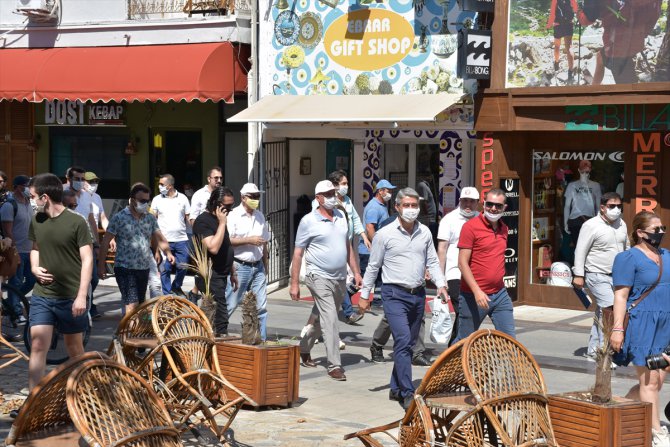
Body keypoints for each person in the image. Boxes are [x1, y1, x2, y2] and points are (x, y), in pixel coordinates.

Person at [358, 187, 447, 410]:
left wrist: (441, 284)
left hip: (417, 294)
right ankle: (407, 393)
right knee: (404, 341)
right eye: (406, 205)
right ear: (397, 207)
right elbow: (373, 266)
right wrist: (365, 295)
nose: (410, 209)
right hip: (394, 294)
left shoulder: (425, 232)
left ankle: (395, 386)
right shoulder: (384, 234)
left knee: (407, 343)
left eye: (414, 205)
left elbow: (432, 261)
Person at [290, 180, 362, 381]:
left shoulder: (341, 216)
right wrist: (294, 283)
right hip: (318, 276)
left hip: (340, 278)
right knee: (330, 318)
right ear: (318, 198)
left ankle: (303, 348)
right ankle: (334, 365)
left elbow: (348, 247)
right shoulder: (308, 221)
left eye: (334, 193)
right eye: (328, 194)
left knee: (321, 317)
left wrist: (356, 272)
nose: (333, 197)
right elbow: (298, 253)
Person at [27, 173, 93, 390]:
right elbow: (35, 248)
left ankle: (82, 393)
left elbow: (87, 259)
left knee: (74, 349)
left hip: (70, 297)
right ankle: (34, 399)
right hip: (42, 295)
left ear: (44, 197)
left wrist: (81, 296)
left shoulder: (77, 221)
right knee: (38, 346)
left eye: (33, 196)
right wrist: (34, 267)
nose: (31, 201)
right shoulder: (36, 220)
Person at [610, 211, 670, 447]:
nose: (661, 232)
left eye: (663, 228)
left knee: (657, 383)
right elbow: (621, 296)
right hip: (642, 325)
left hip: (665, 326)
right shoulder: (627, 258)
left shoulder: (666, 255)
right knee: (650, 382)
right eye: (656, 229)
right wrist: (617, 329)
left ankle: (624, 406)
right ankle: (657, 433)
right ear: (640, 233)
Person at [98, 183, 174, 315]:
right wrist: (101, 265)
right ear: (133, 200)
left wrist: (168, 252)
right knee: (132, 305)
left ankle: (127, 328)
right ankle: (130, 328)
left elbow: (159, 237)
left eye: (147, 201)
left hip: (143, 268)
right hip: (125, 268)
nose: (145, 204)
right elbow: (105, 242)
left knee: (139, 306)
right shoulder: (119, 218)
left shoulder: (150, 218)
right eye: (142, 201)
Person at [453, 188, 516, 342]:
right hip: (473, 295)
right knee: (464, 342)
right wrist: (477, 291)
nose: (493, 208)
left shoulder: (504, 228)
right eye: (489, 204)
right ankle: (450, 358)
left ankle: (508, 359)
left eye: (498, 206)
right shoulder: (470, 227)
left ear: (504, 208)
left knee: (510, 341)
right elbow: (462, 263)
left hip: (499, 294)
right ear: (483, 204)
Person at [573, 192, 629, 361]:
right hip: (597, 274)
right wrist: (578, 274)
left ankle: (594, 350)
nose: (616, 209)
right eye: (612, 206)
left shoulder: (622, 224)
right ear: (603, 207)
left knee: (602, 312)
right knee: (610, 310)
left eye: (619, 206)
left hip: (618, 276)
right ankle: (605, 354)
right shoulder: (590, 225)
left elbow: (626, 247)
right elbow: (580, 250)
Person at [226, 183, 270, 340]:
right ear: (243, 198)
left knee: (261, 306)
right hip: (240, 265)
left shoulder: (260, 216)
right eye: (253, 196)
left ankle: (261, 339)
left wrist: (265, 265)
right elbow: (228, 240)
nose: (256, 199)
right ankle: (217, 333)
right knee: (231, 303)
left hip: (257, 266)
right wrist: (249, 240)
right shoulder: (233, 216)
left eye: (258, 196)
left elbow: (264, 242)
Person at [436, 186, 480, 346]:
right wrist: (440, 279)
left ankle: (456, 348)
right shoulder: (449, 219)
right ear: (459, 201)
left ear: (477, 203)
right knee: (463, 310)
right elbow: (442, 249)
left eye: (471, 201)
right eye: (465, 201)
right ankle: (457, 348)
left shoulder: (482, 219)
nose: (468, 204)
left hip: (476, 274)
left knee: (469, 313)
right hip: (454, 273)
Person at [192, 186, 238, 337]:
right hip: (210, 275)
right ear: (215, 204)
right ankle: (217, 342)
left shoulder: (219, 220)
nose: (230, 210)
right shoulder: (202, 221)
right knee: (219, 317)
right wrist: (222, 223)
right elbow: (213, 248)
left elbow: (226, 245)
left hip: (222, 274)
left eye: (232, 205)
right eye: (227, 206)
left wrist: (233, 271)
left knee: (219, 314)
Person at [1, 175, 35, 323]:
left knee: (32, 280)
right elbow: (7, 231)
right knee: (15, 281)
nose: (28, 188)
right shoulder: (9, 205)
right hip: (17, 250)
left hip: (30, 249)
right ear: (17, 187)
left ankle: (10, 303)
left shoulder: (28, 203)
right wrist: (15, 252)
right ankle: (15, 312)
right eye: (25, 185)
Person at [151, 174, 191, 296]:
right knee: (165, 269)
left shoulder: (183, 198)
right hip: (164, 240)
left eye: (162, 184)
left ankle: (176, 286)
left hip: (181, 239)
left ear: (170, 185)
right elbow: (152, 221)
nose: (159, 186)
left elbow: (188, 218)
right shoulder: (157, 199)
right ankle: (167, 294)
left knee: (183, 267)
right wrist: (155, 246)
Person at [359, 179, 396, 308]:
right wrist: (377, 246)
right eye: (388, 191)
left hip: (375, 249)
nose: (390, 193)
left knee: (379, 276)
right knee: (364, 277)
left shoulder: (382, 205)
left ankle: (377, 301)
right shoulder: (374, 207)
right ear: (380, 191)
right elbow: (370, 228)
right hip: (368, 250)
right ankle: (346, 294)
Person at [84, 171, 108, 320]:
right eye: (90, 181)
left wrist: (111, 235)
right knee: (87, 276)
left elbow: (102, 218)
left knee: (93, 278)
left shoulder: (97, 197)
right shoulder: (78, 197)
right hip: (79, 241)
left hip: (92, 241)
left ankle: (88, 302)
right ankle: (88, 306)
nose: (94, 184)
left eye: (96, 182)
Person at [564, 160, 602, 247]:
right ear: (578, 170)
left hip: (590, 220)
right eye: (582, 172)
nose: (584, 174)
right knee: (578, 247)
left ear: (590, 171)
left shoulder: (595, 185)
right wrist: (565, 223)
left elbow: (598, 206)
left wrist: (599, 222)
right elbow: (567, 206)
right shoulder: (572, 185)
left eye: (587, 172)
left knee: (589, 247)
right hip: (575, 219)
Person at [546, 0, 579, 82]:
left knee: (557, 46)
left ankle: (556, 63)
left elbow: (552, 14)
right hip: (569, 25)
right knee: (569, 48)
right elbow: (576, 9)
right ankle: (570, 72)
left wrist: (548, 25)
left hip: (558, 25)